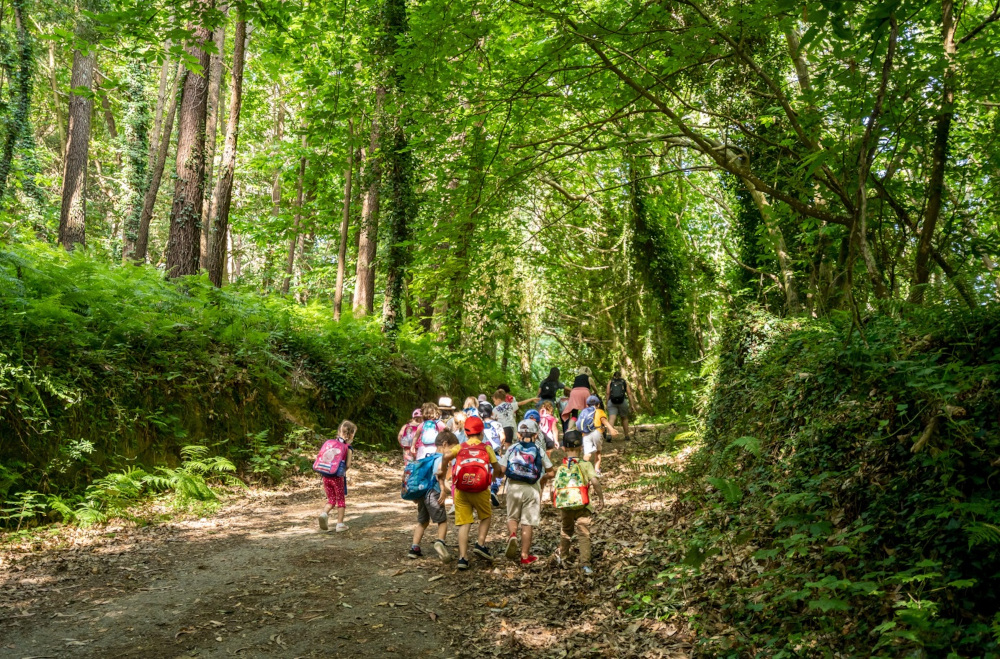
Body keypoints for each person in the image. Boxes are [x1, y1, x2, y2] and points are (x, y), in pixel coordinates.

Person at [438, 416, 503, 569]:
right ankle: (480, 543)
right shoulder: (486, 448)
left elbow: (446, 456)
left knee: (464, 523)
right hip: (481, 489)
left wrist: (443, 469)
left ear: (466, 434)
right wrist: (493, 477)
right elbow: (498, 468)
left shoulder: (460, 447)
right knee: (485, 516)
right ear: (481, 433)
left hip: (461, 489)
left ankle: (463, 558)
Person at [499, 419, 554, 565]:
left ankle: (512, 535)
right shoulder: (539, 449)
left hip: (514, 488)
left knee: (512, 517)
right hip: (531, 489)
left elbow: (502, 470)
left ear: (518, 434)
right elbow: (551, 472)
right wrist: (544, 477)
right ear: (536, 435)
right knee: (527, 522)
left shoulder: (511, 448)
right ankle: (524, 556)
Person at [554, 430, 604, 575]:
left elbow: (555, 487)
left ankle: (563, 556)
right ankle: (585, 565)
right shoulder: (586, 464)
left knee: (566, 530)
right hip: (583, 504)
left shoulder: (562, 467)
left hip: (566, 505)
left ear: (564, 448)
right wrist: (600, 498)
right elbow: (594, 481)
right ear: (581, 448)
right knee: (583, 534)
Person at [409, 431, 458, 562]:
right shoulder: (441, 459)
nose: (453, 452)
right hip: (434, 494)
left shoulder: (428, 457)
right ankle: (440, 542)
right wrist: (446, 490)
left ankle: (414, 548)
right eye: (452, 448)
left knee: (422, 522)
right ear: (445, 444)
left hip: (423, 494)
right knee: (442, 521)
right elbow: (439, 476)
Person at [318, 420, 356, 533]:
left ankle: (324, 513)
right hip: (337, 478)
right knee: (340, 500)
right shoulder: (348, 448)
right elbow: (348, 465)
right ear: (351, 435)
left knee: (331, 500)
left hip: (326, 476)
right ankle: (340, 524)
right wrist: (343, 470)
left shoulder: (330, 444)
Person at [578, 395, 617, 475]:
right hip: (596, 432)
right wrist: (611, 429)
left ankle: (584, 471)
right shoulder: (600, 411)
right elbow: (604, 420)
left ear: (587, 405)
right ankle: (596, 471)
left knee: (587, 453)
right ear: (598, 404)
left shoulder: (584, 412)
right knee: (598, 452)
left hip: (585, 434)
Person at [479, 402, 505, 507]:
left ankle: (482, 493)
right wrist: (501, 446)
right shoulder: (497, 424)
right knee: (497, 471)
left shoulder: (479, 424)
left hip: (481, 452)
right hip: (494, 451)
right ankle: (494, 490)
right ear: (492, 412)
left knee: (483, 471)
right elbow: (502, 437)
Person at [606, 371, 634, 440]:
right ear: (620, 375)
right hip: (623, 401)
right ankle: (626, 435)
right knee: (624, 418)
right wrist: (632, 404)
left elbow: (607, 393)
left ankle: (609, 434)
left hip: (612, 402)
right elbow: (629, 393)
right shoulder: (624, 382)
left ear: (613, 375)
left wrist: (606, 403)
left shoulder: (610, 382)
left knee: (612, 418)